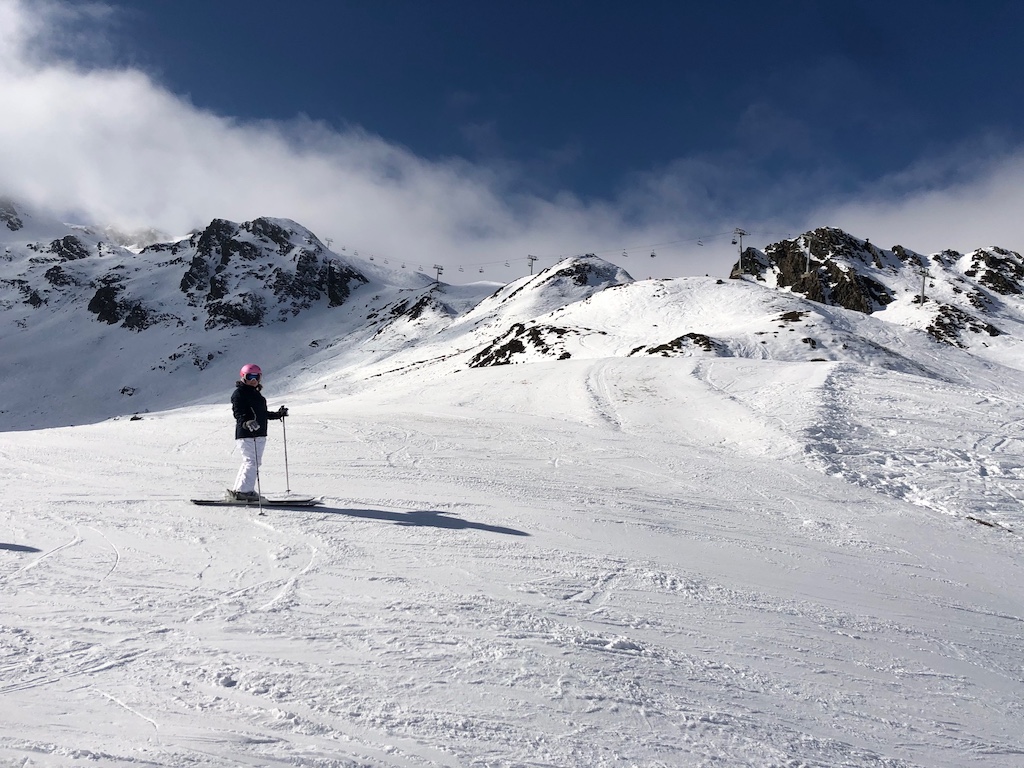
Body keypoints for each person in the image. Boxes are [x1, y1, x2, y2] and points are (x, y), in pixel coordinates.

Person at [229, 364, 287, 501]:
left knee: (251, 462)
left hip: (259, 432)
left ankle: (239, 490)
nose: (254, 379)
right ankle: (245, 492)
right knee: (252, 462)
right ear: (243, 377)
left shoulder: (255, 393)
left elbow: (262, 414)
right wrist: (246, 422)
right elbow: (238, 413)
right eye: (250, 376)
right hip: (248, 432)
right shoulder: (239, 393)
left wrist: (278, 414)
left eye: (257, 376)